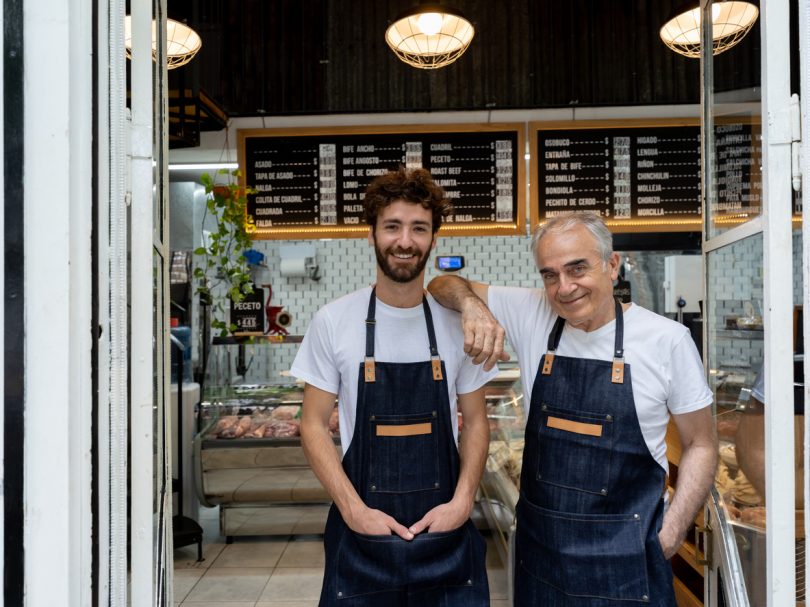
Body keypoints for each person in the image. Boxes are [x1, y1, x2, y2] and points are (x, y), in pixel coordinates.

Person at [427, 211, 718, 606]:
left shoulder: (666, 340)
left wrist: (670, 534)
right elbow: (441, 283)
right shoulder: (532, 312)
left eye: (577, 269)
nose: (564, 288)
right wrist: (472, 306)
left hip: (628, 564)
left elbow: (701, 444)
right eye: (550, 275)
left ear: (611, 265)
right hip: (542, 561)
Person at [292, 167, 496, 606]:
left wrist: (462, 504)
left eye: (419, 228)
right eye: (392, 226)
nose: (405, 241)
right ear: (371, 235)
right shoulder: (334, 320)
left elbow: (478, 422)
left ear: (433, 239)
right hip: (362, 538)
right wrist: (353, 510)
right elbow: (310, 424)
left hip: (447, 535)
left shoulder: (458, 323)